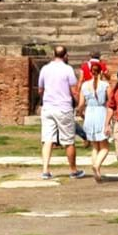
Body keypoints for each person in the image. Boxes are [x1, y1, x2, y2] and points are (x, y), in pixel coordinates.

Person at [38, 45, 83, 180]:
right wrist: (79, 105)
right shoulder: (67, 69)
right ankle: (73, 170)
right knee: (68, 140)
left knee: (47, 139)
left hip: (48, 107)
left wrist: (43, 100)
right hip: (63, 107)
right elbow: (74, 90)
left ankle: (45, 170)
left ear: (53, 54)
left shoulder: (45, 69)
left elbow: (40, 89)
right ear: (65, 55)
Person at [76, 61, 112, 182]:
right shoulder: (105, 85)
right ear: (101, 71)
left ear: (90, 72)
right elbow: (111, 102)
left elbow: (81, 104)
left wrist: (81, 114)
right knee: (105, 147)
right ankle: (97, 166)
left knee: (95, 146)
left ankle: (97, 170)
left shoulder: (84, 85)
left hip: (89, 114)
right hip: (101, 113)